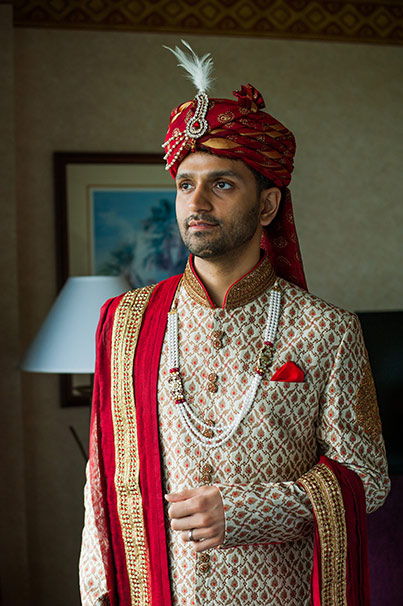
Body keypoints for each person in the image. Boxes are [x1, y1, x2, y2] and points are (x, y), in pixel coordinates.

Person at [79, 42, 390, 606]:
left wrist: (249, 511)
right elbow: (102, 485)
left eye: (222, 184)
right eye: (185, 183)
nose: (196, 201)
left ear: (267, 206)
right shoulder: (126, 322)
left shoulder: (327, 329)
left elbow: (366, 477)